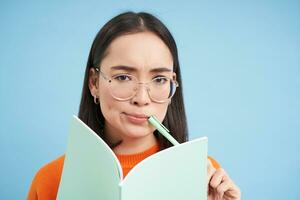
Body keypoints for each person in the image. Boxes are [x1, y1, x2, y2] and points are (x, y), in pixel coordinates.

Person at [27, 11, 241, 200]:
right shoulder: (52, 179)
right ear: (94, 83)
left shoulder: (203, 174)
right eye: (123, 77)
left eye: (159, 79)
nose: (141, 98)